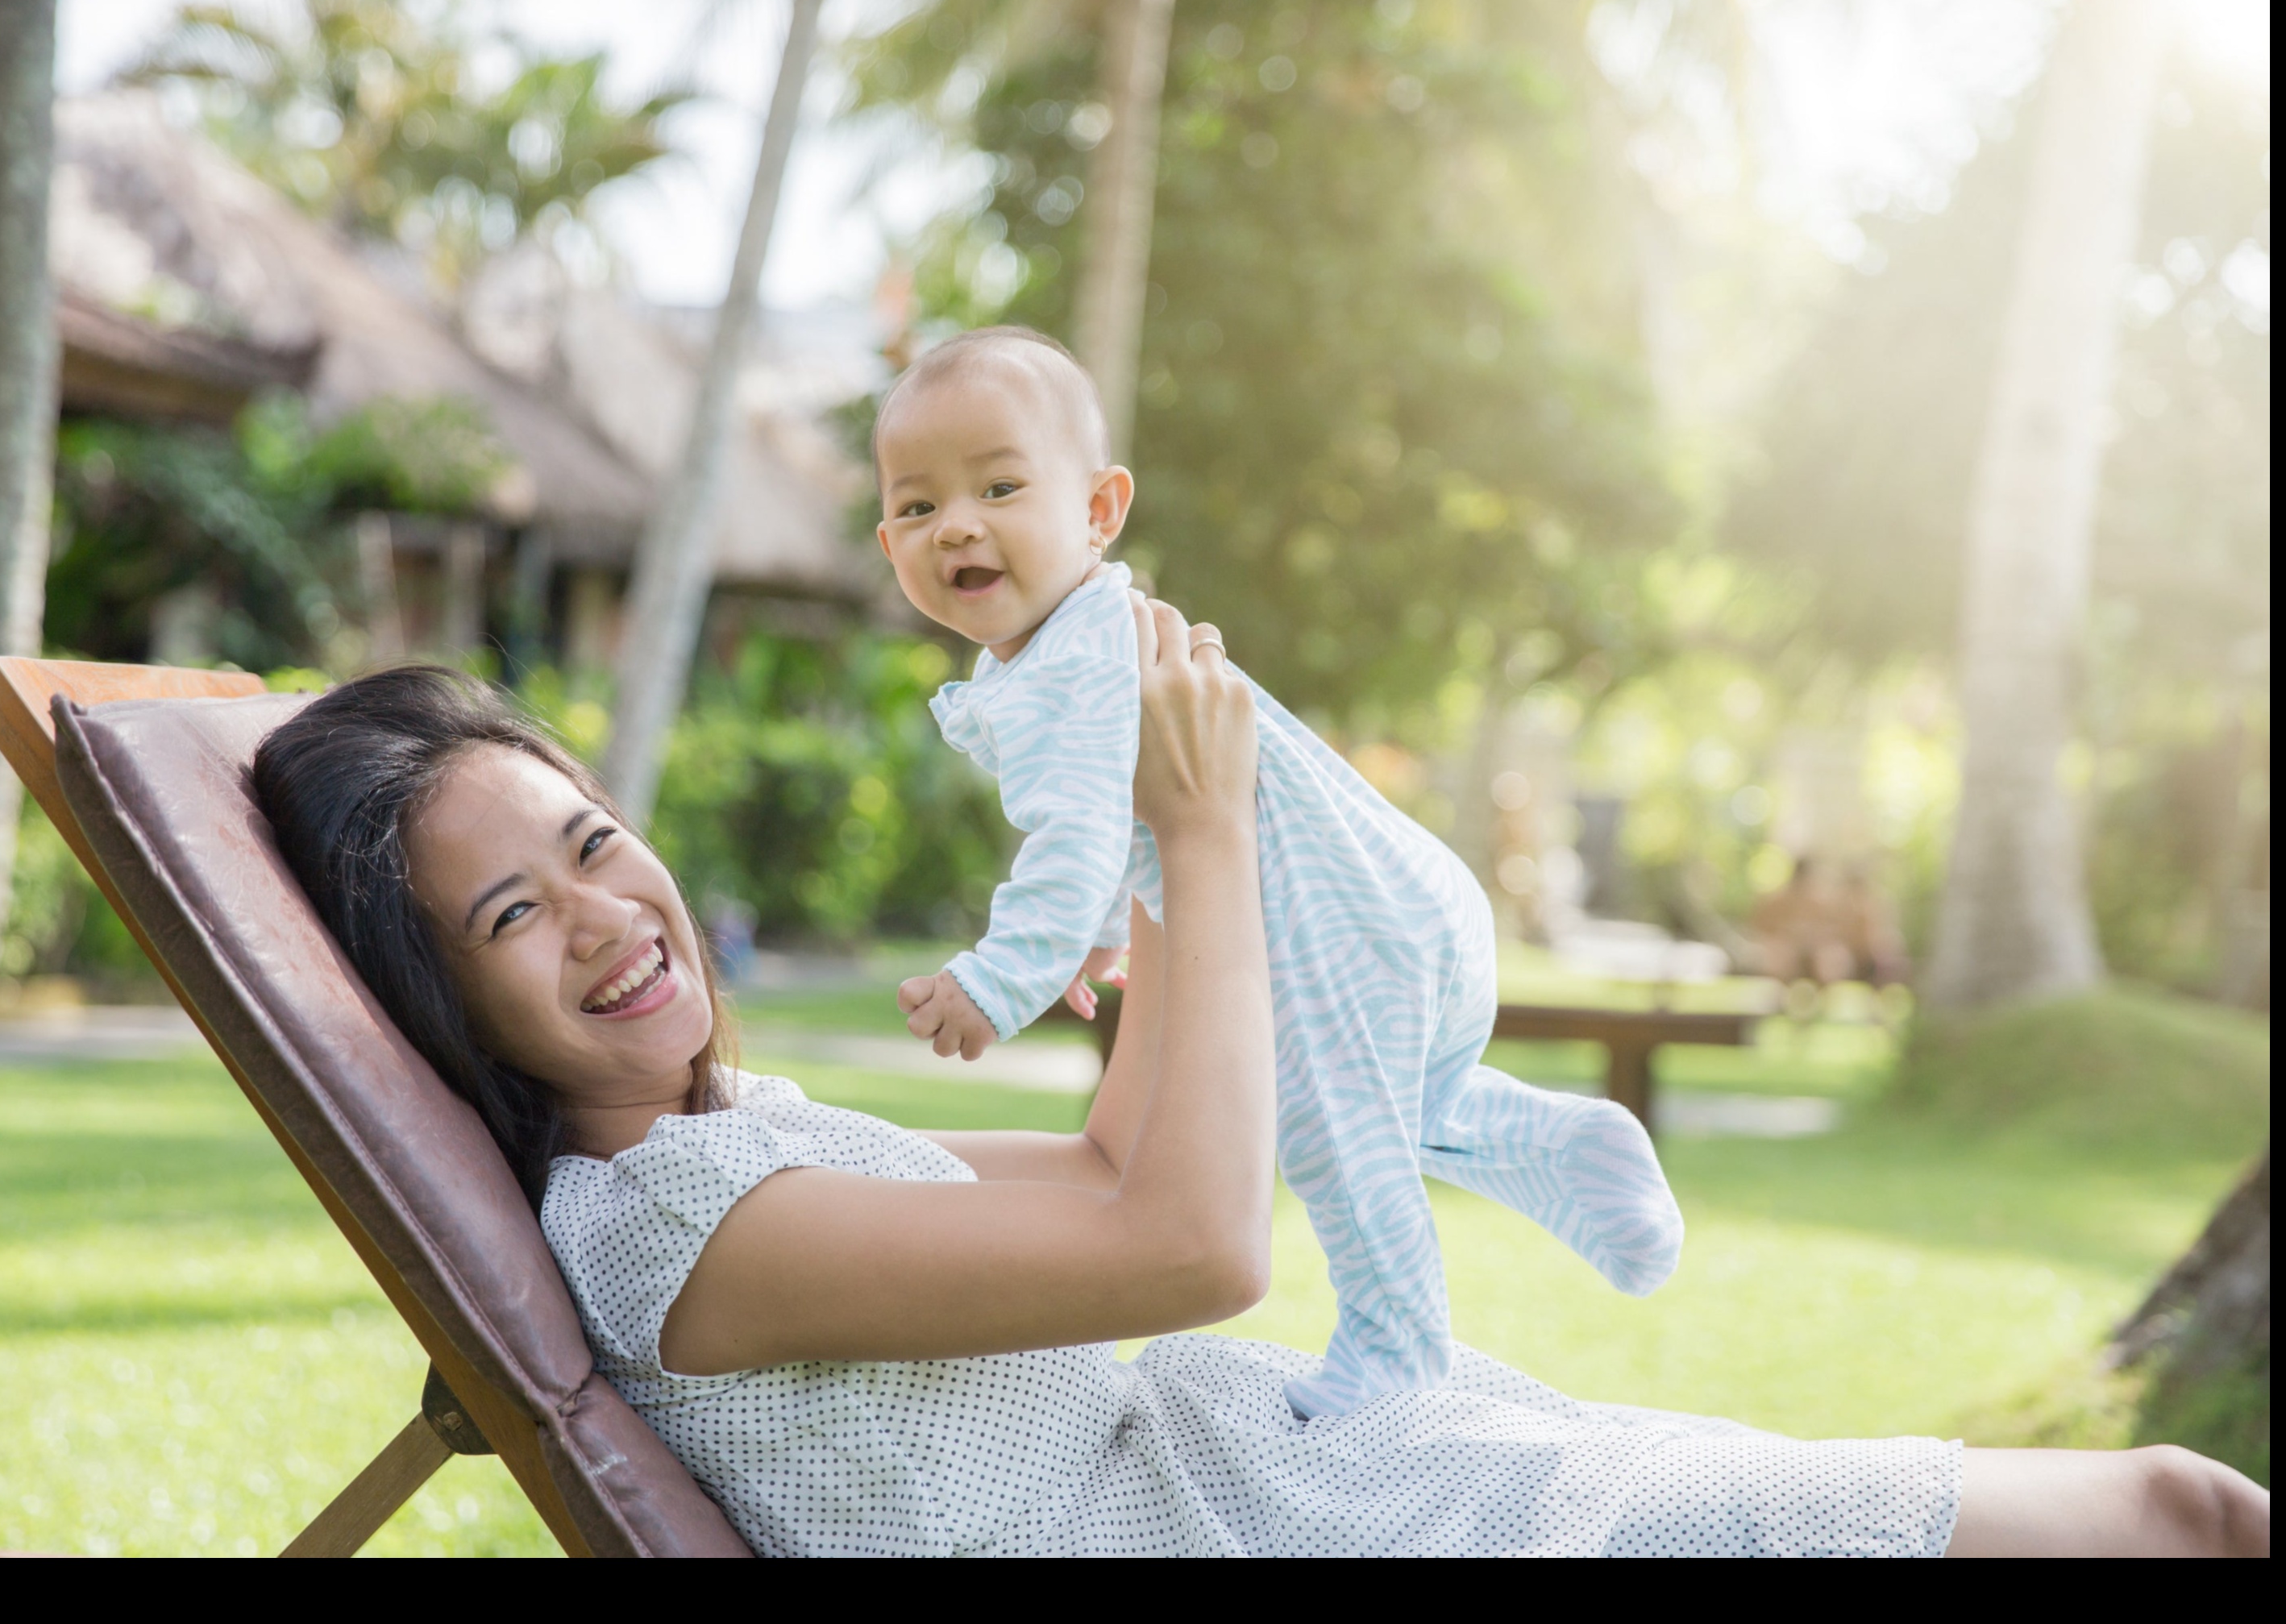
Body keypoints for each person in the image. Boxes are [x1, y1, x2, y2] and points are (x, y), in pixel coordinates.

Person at [251, 625, 2267, 1557]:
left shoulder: (731, 1144)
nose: (610, 913)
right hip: (1276, 1523)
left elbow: (1124, 1156)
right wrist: (1202, 846)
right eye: (513, 913)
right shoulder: (674, 1233)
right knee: (2173, 1512)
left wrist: (1155, 900)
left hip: (1309, 1483)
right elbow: (1199, 1242)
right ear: (453, 1013)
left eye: (595, 838)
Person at [868, 325, 1677, 1419]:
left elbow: (1069, 842)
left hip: (1345, 919)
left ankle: (1398, 1348)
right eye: (919, 508)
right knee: (1403, 1109)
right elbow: (1115, 817)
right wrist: (1109, 932)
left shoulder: (1075, 659)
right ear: (889, 543)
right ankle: (1575, 1146)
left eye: (1000, 487)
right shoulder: (1075, 646)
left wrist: (997, 980)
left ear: (1100, 512)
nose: (956, 524)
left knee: (1335, 1128)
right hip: (1397, 899)